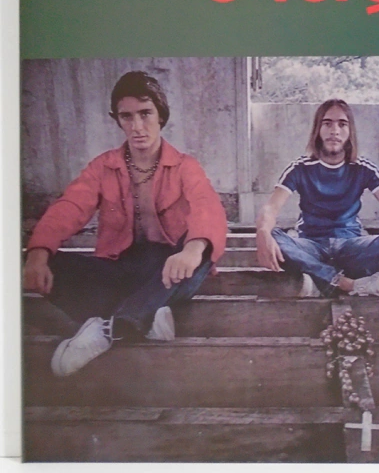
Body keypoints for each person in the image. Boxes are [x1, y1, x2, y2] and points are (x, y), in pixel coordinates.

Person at [23, 71, 228, 376]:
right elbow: (70, 207)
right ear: (117, 120)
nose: (137, 126)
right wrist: (38, 253)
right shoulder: (103, 166)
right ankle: (146, 318)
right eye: (127, 116)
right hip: (122, 269)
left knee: (202, 250)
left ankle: (109, 328)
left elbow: (207, 206)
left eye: (145, 114)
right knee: (35, 262)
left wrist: (192, 249)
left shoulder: (185, 165)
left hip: (168, 272)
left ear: (161, 116)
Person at [256, 98, 379, 297]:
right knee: (272, 236)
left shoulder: (364, 168)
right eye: (327, 123)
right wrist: (263, 232)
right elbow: (271, 207)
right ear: (318, 129)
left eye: (342, 124)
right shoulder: (300, 168)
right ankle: (346, 283)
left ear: (350, 132)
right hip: (311, 244)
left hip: (352, 246)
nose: (334, 131)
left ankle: (318, 278)